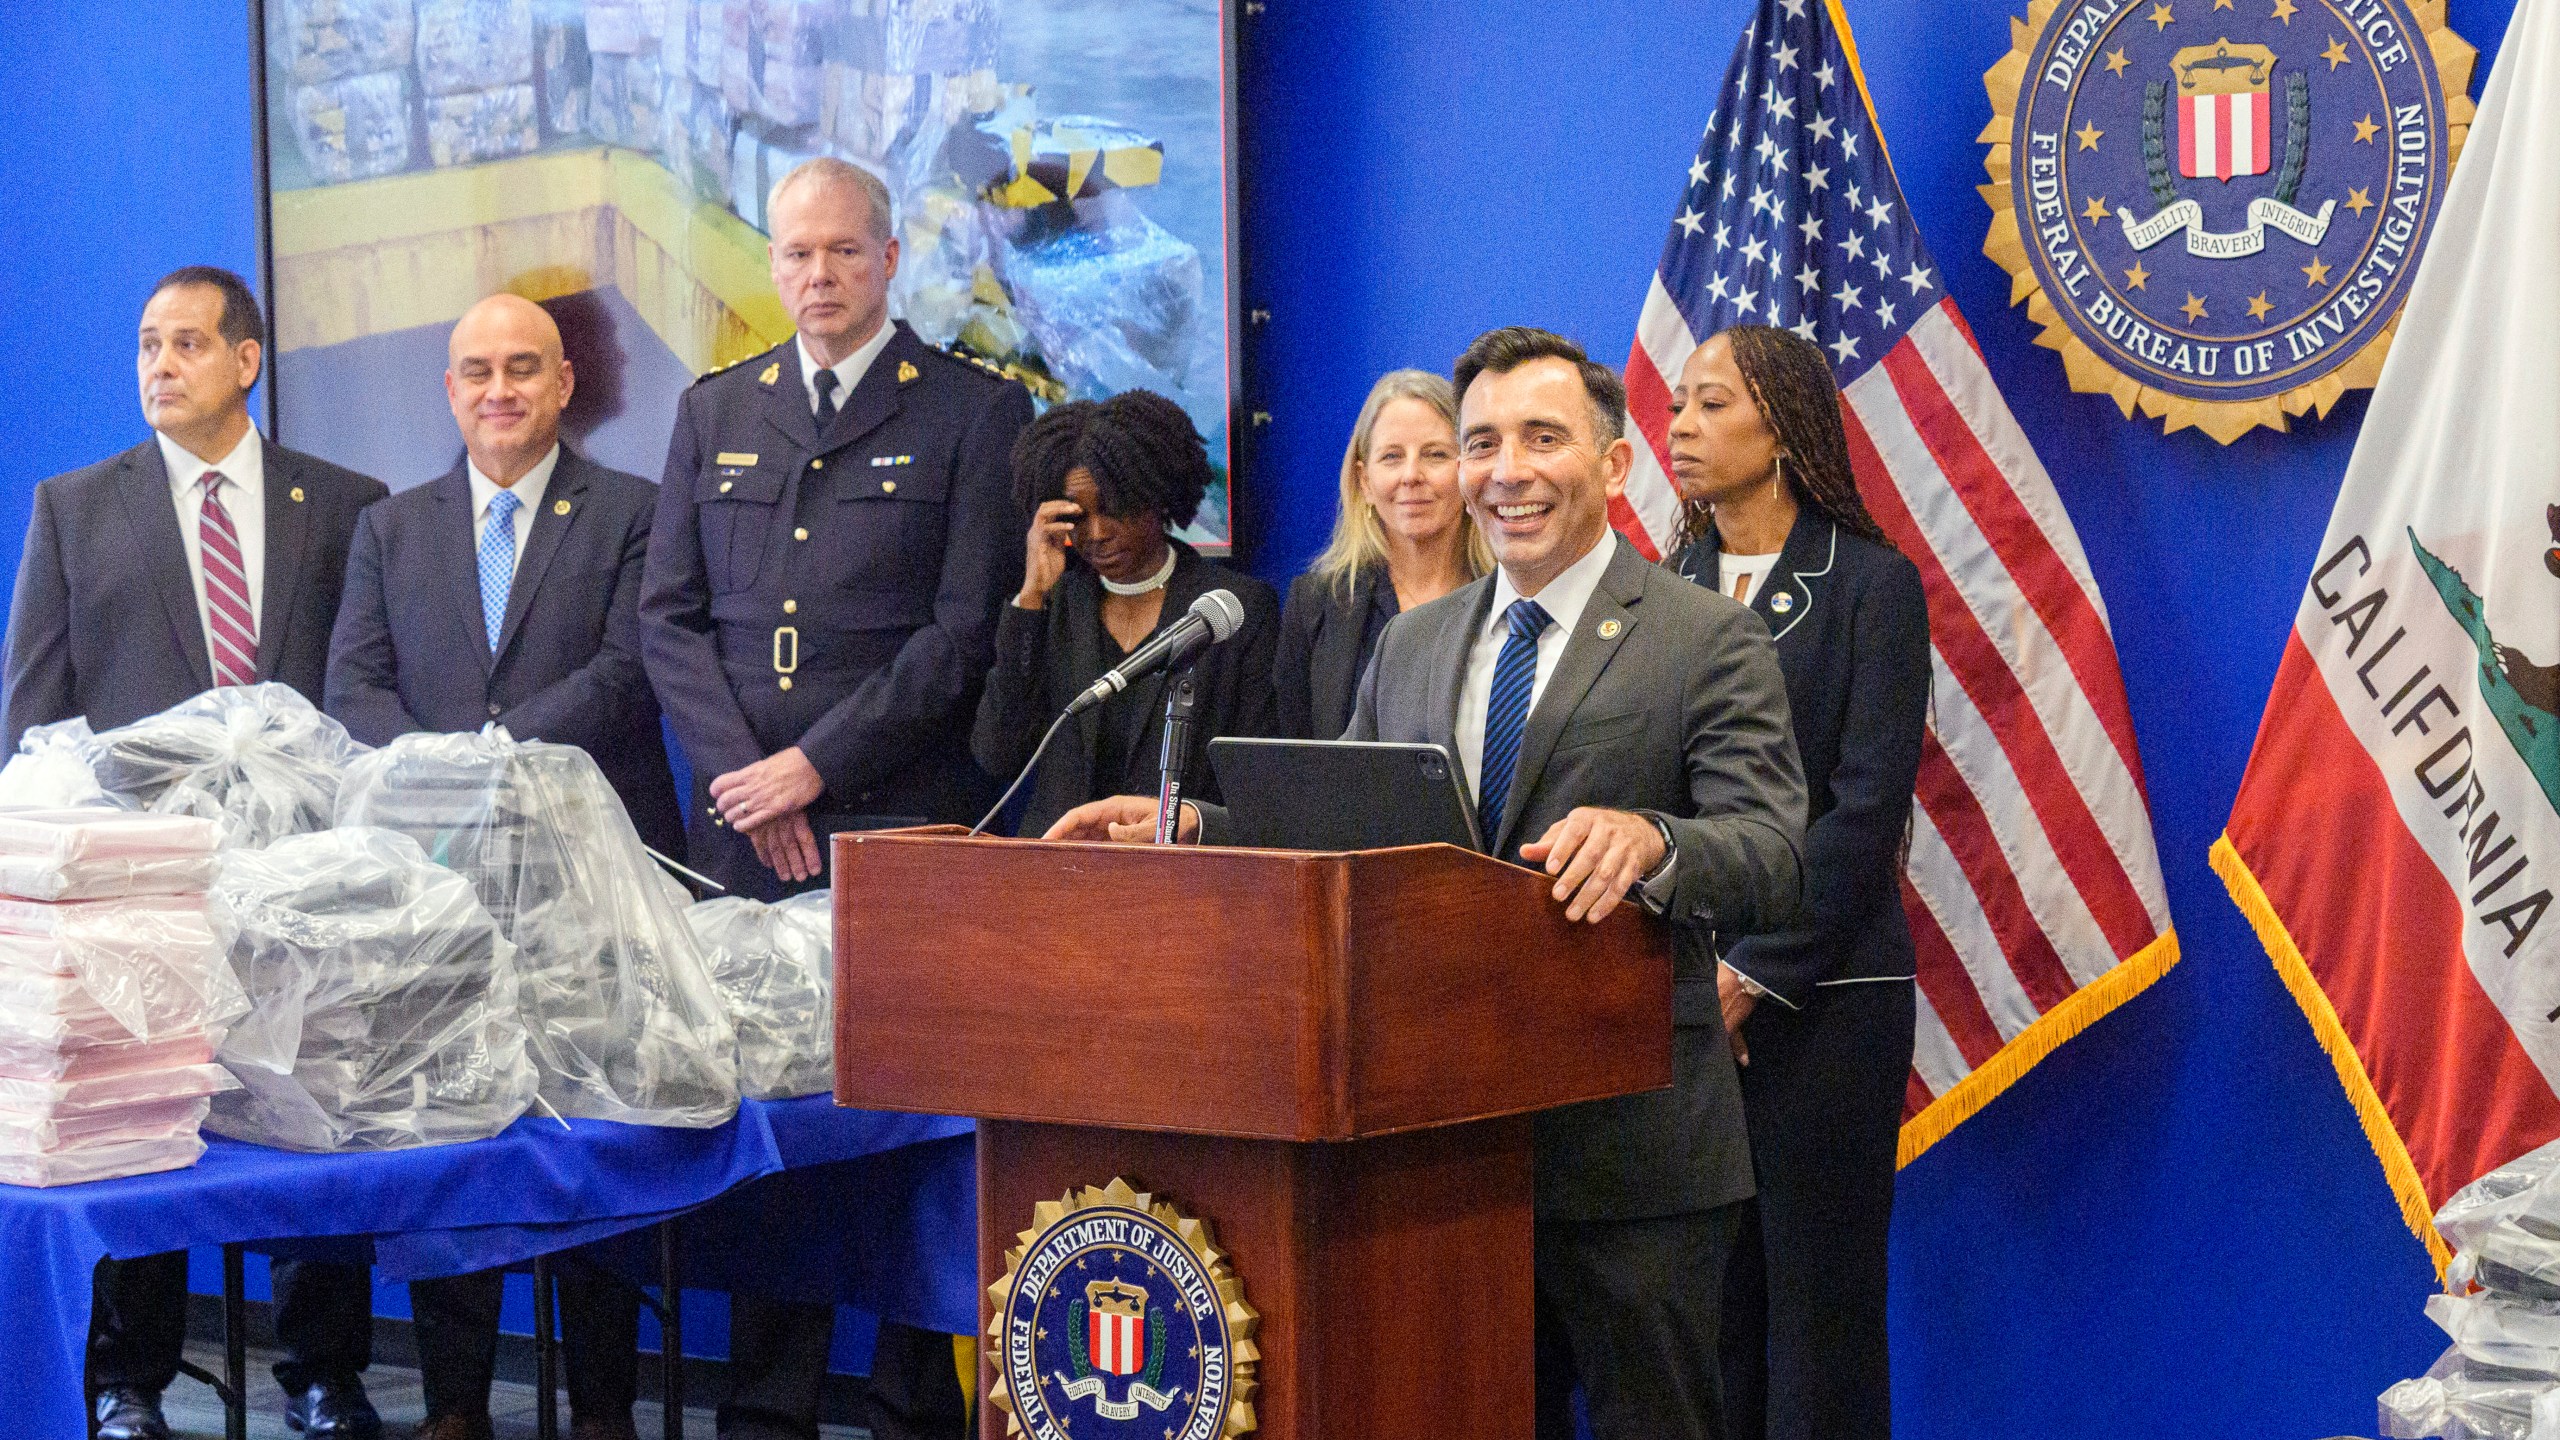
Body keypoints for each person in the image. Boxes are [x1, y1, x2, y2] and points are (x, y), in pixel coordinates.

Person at [1050, 326, 1806, 1440]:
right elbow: (1344, 826)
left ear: (1610, 465)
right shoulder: (1414, 644)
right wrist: (1192, 826)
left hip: (1628, 1158)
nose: (1505, 470)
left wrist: (1653, 842)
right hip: (1436, 1151)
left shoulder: (1705, 638)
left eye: (1542, 438)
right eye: (1482, 442)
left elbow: (1775, 852)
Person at [639, 155, 1030, 1440]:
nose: (818, 277)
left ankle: (913, 1406)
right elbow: (671, 621)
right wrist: (753, 787)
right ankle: (766, 1406)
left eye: (843, 254)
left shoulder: (976, 413)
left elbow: (961, 633)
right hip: (747, 841)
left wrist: (817, 769)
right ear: (774, 262)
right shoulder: (715, 409)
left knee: (912, 1130)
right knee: (768, 1125)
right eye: (797, 255)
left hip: (897, 825)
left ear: (888, 260)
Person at [3, 267, 388, 1439]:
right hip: (141, 882)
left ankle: (324, 1371)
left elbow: (362, 690)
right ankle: (127, 1381)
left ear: (246, 360)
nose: (160, 366)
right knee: (138, 1115)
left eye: (185, 344)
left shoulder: (348, 503)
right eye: (146, 345)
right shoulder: (75, 505)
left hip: (307, 880)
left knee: (320, 1109)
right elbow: (34, 711)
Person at [324, 292, 668, 1440]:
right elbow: (354, 688)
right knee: (448, 1126)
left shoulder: (630, 510)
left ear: (565, 384)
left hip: (591, 879)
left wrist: (498, 758)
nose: (498, 390)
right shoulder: (392, 526)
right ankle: (456, 1408)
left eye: (523, 368)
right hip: (434, 889)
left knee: (595, 1135)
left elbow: (628, 668)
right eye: (476, 370)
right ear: (450, 390)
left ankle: (606, 1410)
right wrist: (445, 777)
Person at [1661, 326, 1929, 1440]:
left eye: (1709, 404)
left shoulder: (1871, 584)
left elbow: (1863, 811)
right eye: (1677, 403)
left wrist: (1750, 975)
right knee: (1707, 1318)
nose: (1677, 426)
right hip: (1671, 1009)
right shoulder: (1653, 591)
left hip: (1826, 1009)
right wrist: (1691, 978)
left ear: (1781, 429)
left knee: (1818, 1323)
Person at [972, 390, 1279, 836]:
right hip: (1060, 867)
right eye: (1079, 517)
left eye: (1115, 511)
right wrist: (1032, 596)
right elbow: (997, 753)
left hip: (1183, 876)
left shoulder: (1232, 607)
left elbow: (1257, 780)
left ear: (1157, 496)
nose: (1096, 533)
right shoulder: (1052, 605)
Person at [1275, 368, 1489, 739]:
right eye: (1391, 456)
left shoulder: (1512, 597)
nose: (1411, 475)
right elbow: (1293, 761)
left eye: (1435, 454)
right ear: (1364, 482)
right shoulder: (1314, 603)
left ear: (1467, 469)